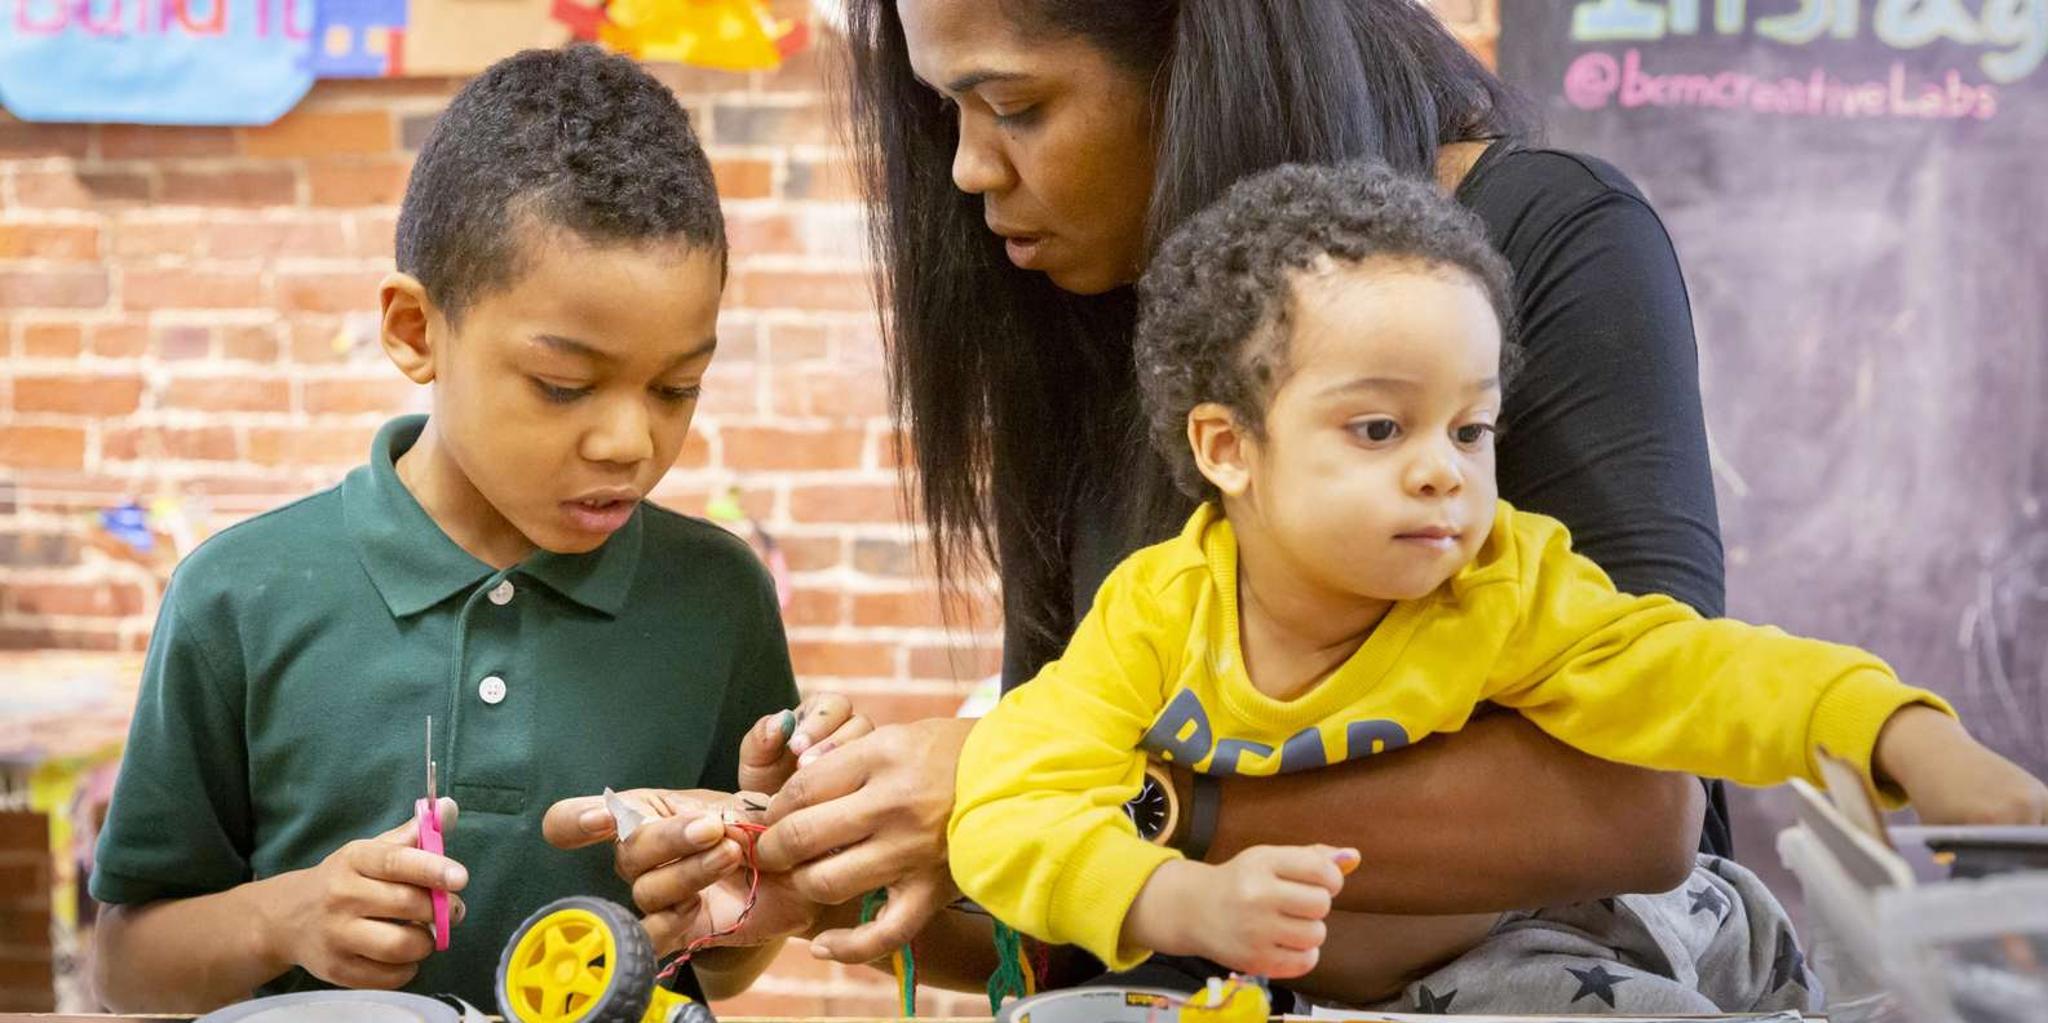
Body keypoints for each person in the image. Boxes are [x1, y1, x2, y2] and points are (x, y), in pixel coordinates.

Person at [556, 0, 1784, 1002]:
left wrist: (1073, 786)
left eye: (1015, 105)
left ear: (1204, 59)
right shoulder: (1094, 322)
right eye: (946, 113)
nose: (970, 168)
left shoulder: (1545, 236)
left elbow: (1639, 803)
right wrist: (832, 877)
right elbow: (1092, 932)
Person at [950, 160, 2048, 1013]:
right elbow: (1005, 805)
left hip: (1520, 954)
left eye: (1469, 427)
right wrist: (1173, 897)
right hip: (1253, 982)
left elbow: (1703, 673)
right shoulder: (1157, 620)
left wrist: (1908, 740)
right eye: (1378, 428)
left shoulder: (1499, 584)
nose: (1442, 468)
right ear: (1227, 448)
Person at [87, 45, 867, 1011]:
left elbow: (716, 956)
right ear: (417, 331)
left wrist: (754, 897)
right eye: (563, 385)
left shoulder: (716, 597)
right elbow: (121, 968)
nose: (630, 441)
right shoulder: (239, 595)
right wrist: (282, 918)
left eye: (677, 387)